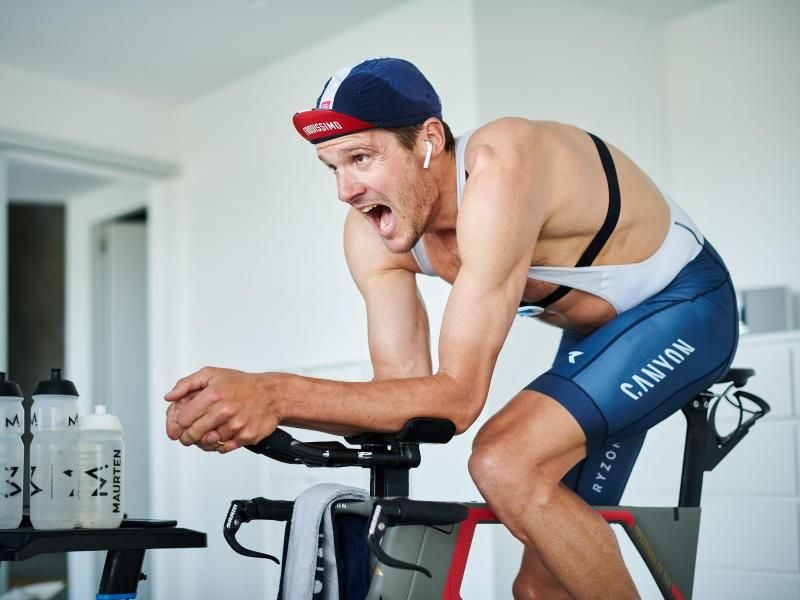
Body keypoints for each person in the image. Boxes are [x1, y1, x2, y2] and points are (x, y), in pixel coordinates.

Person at [165, 57, 738, 598]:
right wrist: (249, 412)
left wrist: (274, 392)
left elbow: (458, 399)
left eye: (361, 158)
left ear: (429, 142)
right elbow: (405, 405)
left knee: (505, 460)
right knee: (541, 589)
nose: (345, 190)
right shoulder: (370, 233)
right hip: (597, 340)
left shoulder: (502, 165)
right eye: (332, 167)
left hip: (686, 304)